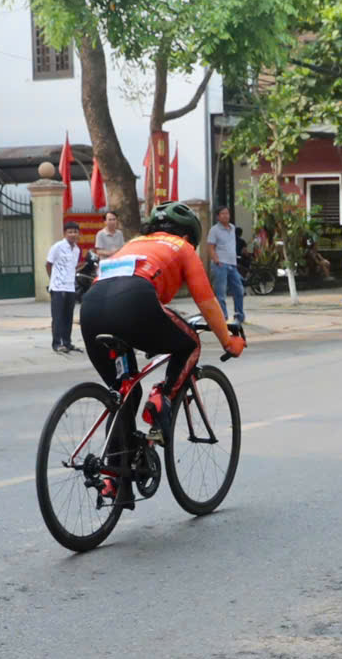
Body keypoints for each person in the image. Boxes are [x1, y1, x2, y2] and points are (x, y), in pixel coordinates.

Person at [77, 201, 246, 498]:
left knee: (124, 393)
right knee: (190, 342)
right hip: (135, 301)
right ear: (190, 235)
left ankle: (115, 478)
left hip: (92, 308)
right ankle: (162, 398)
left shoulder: (133, 243)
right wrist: (228, 342)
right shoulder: (182, 248)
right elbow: (207, 302)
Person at [206, 204, 247, 330]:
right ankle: (223, 317)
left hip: (232, 264)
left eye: (227, 213)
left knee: (239, 290)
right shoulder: (214, 230)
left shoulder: (232, 228)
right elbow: (210, 247)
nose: (226, 216)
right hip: (220, 265)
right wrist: (217, 260)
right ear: (218, 216)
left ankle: (239, 315)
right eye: (223, 214)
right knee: (221, 293)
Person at [46, 221, 84, 353]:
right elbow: (48, 264)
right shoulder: (57, 247)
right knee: (58, 317)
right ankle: (57, 343)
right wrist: (53, 280)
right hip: (57, 287)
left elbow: (72, 267)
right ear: (65, 233)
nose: (73, 234)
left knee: (68, 317)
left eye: (75, 232)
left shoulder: (77, 249)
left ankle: (67, 342)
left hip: (70, 287)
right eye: (70, 232)